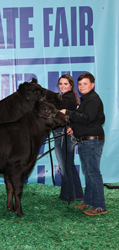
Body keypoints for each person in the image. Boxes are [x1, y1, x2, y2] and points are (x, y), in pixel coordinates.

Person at [60, 72, 106, 216]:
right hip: (87, 139)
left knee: (93, 173)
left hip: (91, 140)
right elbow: (98, 118)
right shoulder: (86, 99)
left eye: (85, 83)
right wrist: (73, 127)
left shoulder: (92, 99)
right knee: (89, 173)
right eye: (80, 84)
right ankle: (88, 201)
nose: (81, 86)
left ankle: (99, 206)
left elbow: (87, 118)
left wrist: (68, 112)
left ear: (92, 85)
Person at [52, 74, 84, 203]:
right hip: (67, 133)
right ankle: (78, 195)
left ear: (71, 85)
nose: (62, 86)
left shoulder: (66, 99)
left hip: (63, 133)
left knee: (65, 166)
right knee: (69, 165)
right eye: (60, 84)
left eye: (65, 84)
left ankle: (68, 196)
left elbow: (54, 115)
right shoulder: (70, 97)